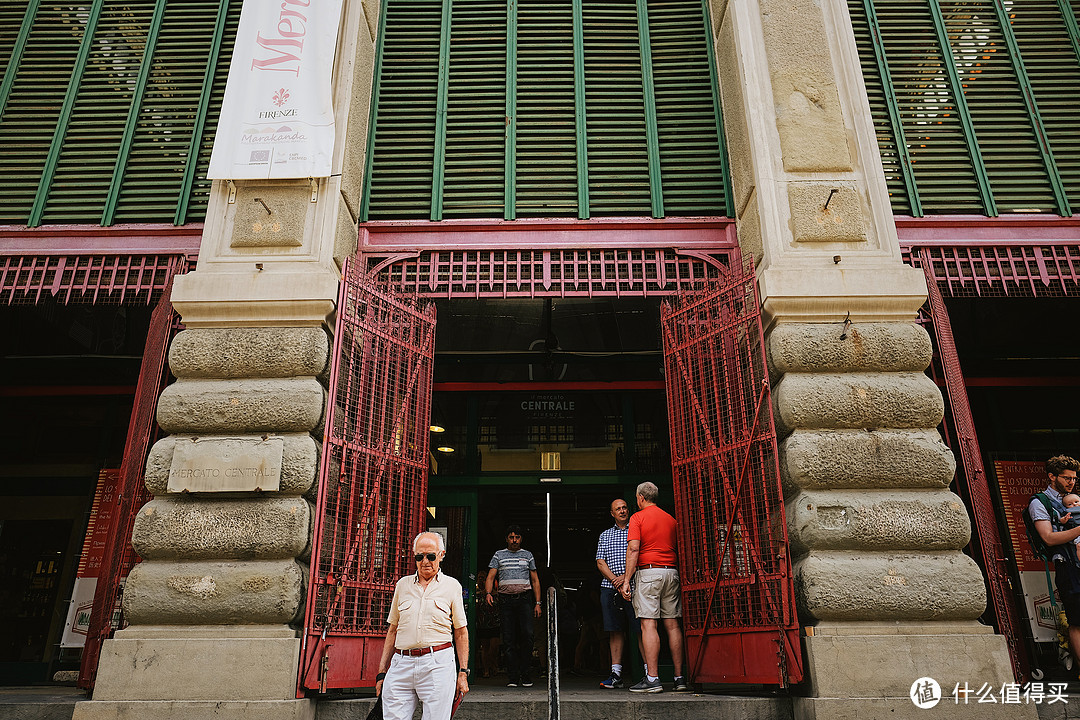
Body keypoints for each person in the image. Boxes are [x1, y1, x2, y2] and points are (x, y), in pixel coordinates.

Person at [375, 532, 470, 720]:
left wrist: (463, 673)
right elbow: (392, 630)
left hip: (438, 663)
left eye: (431, 556)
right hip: (401, 662)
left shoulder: (452, 586)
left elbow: (460, 633)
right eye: (419, 556)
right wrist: (381, 672)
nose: (425, 561)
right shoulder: (402, 585)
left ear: (441, 555)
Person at [617, 481, 687, 693]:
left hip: (649, 573)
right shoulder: (671, 519)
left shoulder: (637, 518)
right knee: (673, 625)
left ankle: (653, 678)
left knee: (649, 624)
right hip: (671, 572)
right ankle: (679, 678)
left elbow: (634, 548)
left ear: (640, 498)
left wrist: (627, 579)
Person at [1029, 455, 1080, 668]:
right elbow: (1048, 538)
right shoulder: (1039, 502)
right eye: (1066, 477)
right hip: (1068, 565)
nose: (1071, 482)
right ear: (1051, 476)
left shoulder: (1075, 499)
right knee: (1077, 620)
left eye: (1074, 478)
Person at [485, 525, 542, 687]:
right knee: (508, 638)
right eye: (511, 537)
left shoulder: (528, 555)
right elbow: (490, 576)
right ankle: (513, 677)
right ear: (506, 539)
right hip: (505, 601)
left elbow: (535, 580)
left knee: (528, 636)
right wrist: (488, 593)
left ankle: (525, 674)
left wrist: (538, 603)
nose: (514, 540)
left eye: (517, 537)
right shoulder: (499, 555)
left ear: (521, 539)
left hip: (525, 599)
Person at [595, 497, 641, 689]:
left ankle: (649, 673)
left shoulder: (636, 530)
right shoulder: (605, 535)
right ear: (612, 514)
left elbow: (641, 554)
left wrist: (626, 578)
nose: (622, 511)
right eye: (618, 509)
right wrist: (616, 579)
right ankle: (616, 675)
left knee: (641, 629)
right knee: (615, 630)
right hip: (610, 588)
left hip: (635, 585)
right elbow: (600, 561)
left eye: (624, 508)